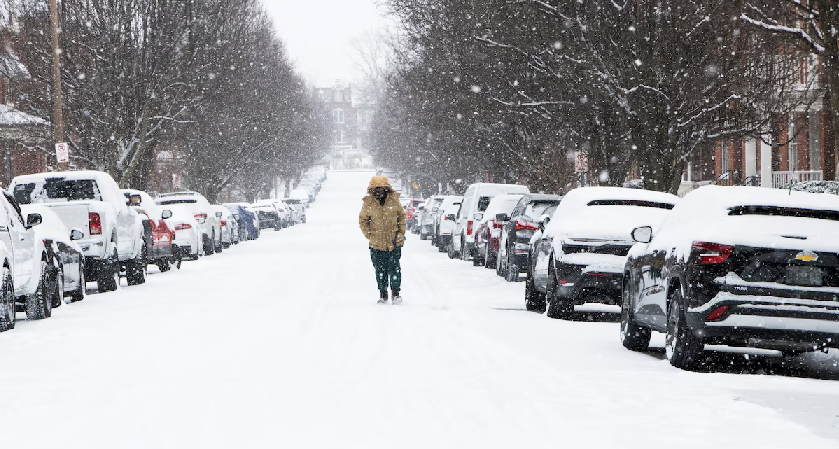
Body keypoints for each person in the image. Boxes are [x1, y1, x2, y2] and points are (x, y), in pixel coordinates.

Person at [358, 176, 406, 304]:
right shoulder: (368, 203)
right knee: (380, 269)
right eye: (375, 188)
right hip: (376, 244)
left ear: (386, 189)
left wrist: (400, 234)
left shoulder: (394, 201)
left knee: (394, 268)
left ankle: (396, 294)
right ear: (372, 189)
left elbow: (401, 217)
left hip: (394, 242)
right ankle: (383, 294)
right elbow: (362, 220)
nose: (378, 190)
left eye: (380, 187)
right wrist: (370, 235)